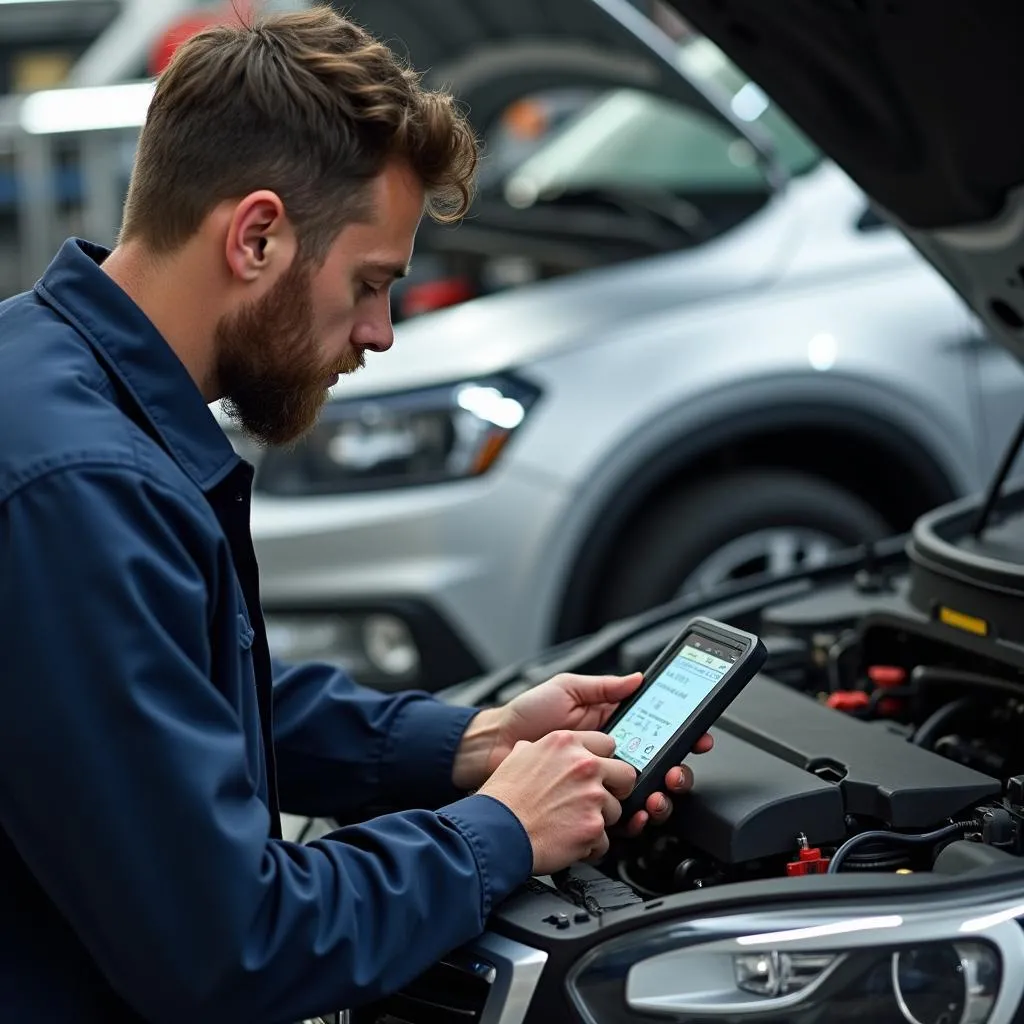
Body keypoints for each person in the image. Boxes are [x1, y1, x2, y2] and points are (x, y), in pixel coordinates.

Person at [0, 8, 712, 1022]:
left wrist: (473, 740)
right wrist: (498, 828)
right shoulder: (80, 487)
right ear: (255, 236)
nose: (379, 333)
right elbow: (232, 945)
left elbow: (176, 701)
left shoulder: (44, 369)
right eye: (370, 284)